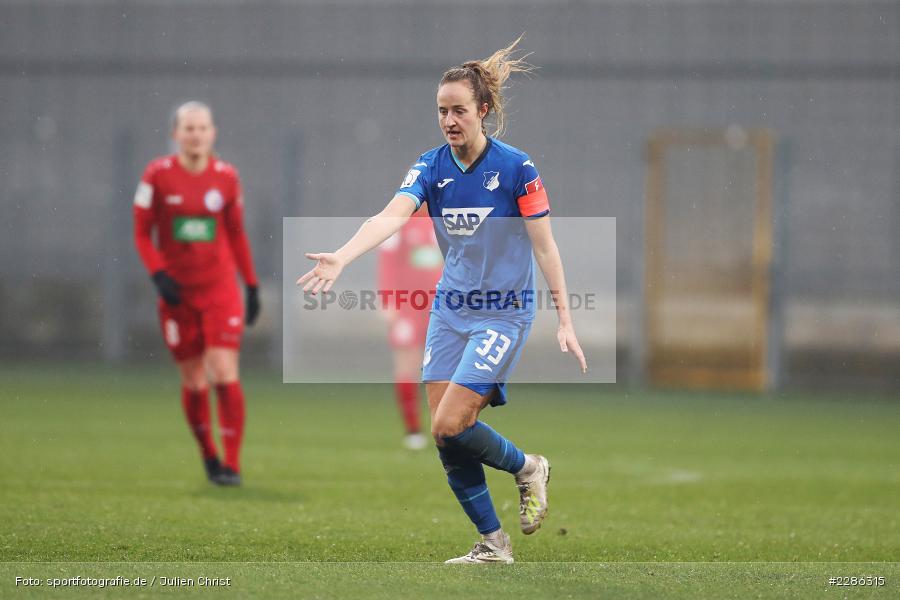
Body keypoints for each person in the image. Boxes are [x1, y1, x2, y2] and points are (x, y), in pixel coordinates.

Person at [297, 38, 586, 563]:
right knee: (446, 435)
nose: (449, 120)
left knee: (451, 422)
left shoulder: (518, 169)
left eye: (458, 110)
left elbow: (545, 245)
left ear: (484, 110)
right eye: (441, 111)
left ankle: (527, 467)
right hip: (450, 313)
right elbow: (391, 214)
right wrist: (343, 255)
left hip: (502, 312)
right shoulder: (430, 167)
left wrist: (565, 318)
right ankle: (492, 543)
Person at [133, 101, 260, 486]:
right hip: (176, 293)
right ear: (175, 134)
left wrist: (250, 284)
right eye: (189, 129)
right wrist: (158, 274)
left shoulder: (225, 177)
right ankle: (209, 456)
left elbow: (236, 234)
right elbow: (141, 233)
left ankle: (232, 465)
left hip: (219, 288)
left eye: (203, 128)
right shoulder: (156, 175)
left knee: (223, 371)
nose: (196, 135)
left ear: (212, 133)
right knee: (193, 380)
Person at [377, 205, 443, 450]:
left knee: (444, 367)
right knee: (407, 364)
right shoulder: (399, 221)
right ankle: (413, 429)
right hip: (408, 307)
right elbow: (388, 262)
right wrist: (388, 300)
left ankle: (446, 427)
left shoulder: (446, 218)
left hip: (441, 306)